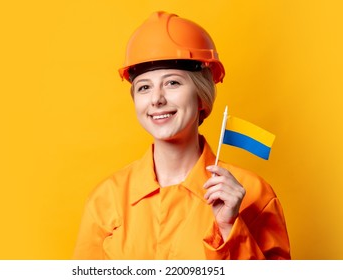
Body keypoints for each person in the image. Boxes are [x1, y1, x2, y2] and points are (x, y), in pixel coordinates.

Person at [73, 11, 291, 260]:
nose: (156, 99)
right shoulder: (106, 198)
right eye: (144, 87)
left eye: (172, 83)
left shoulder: (254, 194)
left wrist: (231, 228)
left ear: (201, 95)